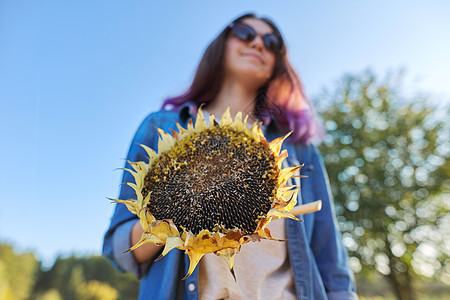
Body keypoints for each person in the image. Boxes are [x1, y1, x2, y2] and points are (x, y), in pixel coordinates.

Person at [103, 13, 358, 300]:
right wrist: (166, 213)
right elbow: (120, 251)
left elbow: (332, 264)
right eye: (246, 33)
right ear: (222, 42)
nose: (259, 43)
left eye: (272, 42)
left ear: (277, 62)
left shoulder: (299, 148)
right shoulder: (160, 128)